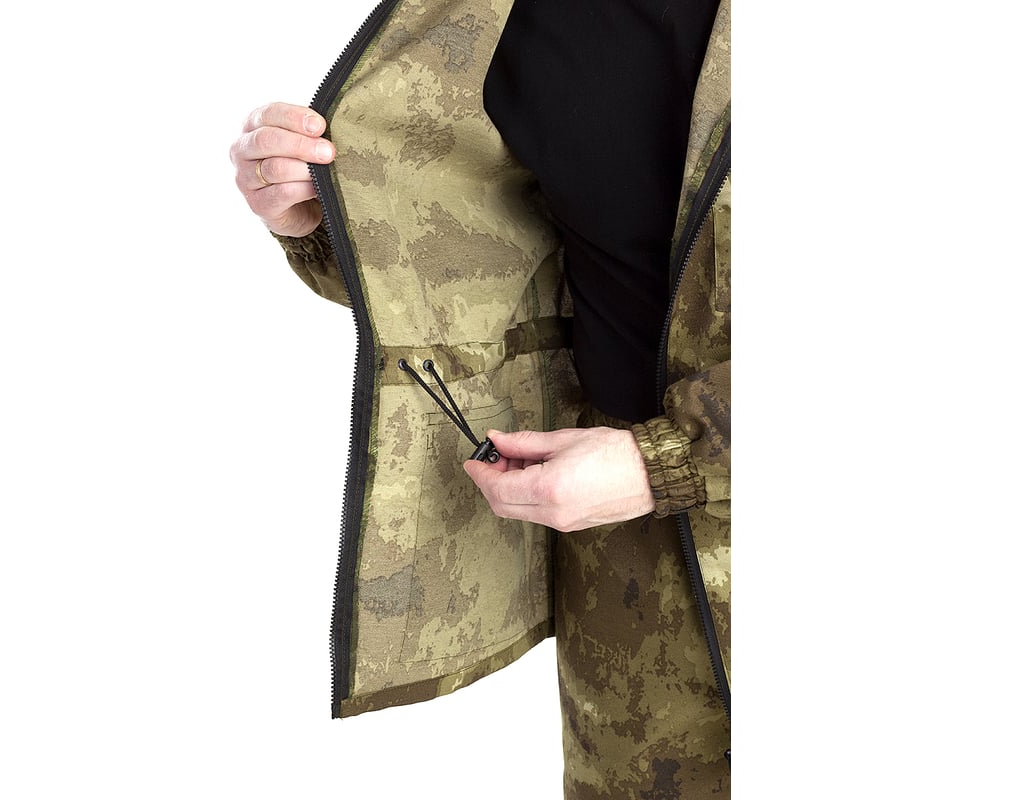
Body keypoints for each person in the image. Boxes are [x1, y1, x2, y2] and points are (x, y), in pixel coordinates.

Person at [229, 0, 729, 796]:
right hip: (626, 560)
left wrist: (671, 458)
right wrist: (329, 218)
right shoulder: (486, 18)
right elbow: (499, 255)